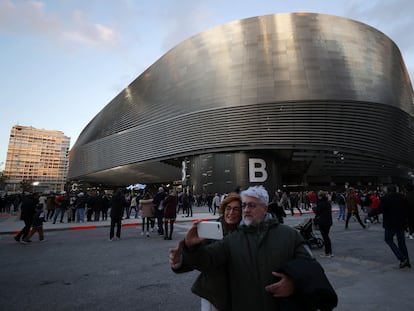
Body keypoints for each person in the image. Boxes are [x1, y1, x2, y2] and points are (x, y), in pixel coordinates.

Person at [175, 186, 338, 311]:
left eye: (251, 205)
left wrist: (295, 283)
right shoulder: (232, 240)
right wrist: (191, 247)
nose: (246, 210)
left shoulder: (290, 235)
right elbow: (208, 260)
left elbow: (312, 268)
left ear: (265, 208)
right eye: (244, 205)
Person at [170, 192, 243, 311]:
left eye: (236, 209)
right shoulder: (212, 230)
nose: (230, 213)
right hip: (213, 295)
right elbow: (198, 258)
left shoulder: (246, 233)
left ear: (242, 212)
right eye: (228, 208)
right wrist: (180, 260)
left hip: (238, 294)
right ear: (223, 210)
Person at [369, 185, 411, 268]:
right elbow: (407, 210)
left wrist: (370, 214)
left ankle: (402, 258)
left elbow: (379, 209)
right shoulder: (402, 197)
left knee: (388, 239)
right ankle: (407, 261)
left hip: (390, 224)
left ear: (388, 191)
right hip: (401, 223)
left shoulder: (385, 198)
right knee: (402, 242)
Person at [313, 191, 334, 257]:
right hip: (328, 222)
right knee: (326, 236)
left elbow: (317, 211)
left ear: (320, 196)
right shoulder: (328, 203)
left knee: (325, 237)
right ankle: (329, 252)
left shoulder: (320, 203)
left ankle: (328, 253)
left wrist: (313, 208)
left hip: (322, 222)